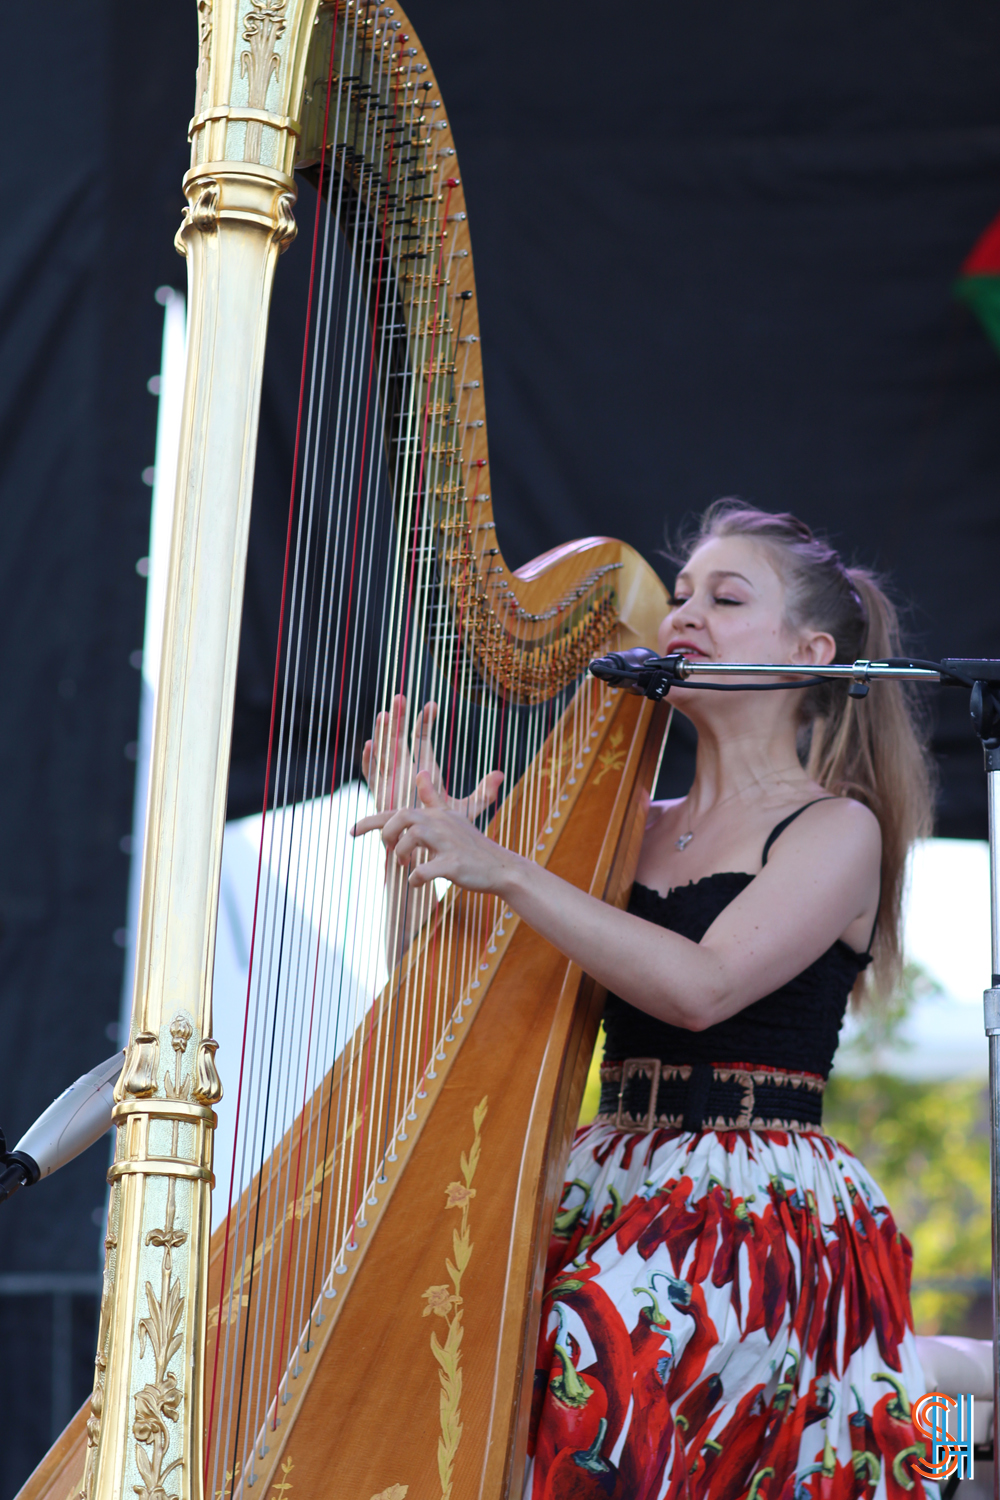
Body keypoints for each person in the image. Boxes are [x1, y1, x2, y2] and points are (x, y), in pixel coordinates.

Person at [352, 502, 937, 1500]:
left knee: (590, 1365)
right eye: (680, 596)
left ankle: (943, 1398)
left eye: (726, 595)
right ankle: (938, 1386)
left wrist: (506, 870)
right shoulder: (615, 825)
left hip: (749, 1197)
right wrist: (419, 859)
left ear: (809, 651)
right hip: (601, 1175)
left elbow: (702, 988)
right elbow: (452, 997)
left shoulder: (839, 829)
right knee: (436, 1348)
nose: (683, 615)